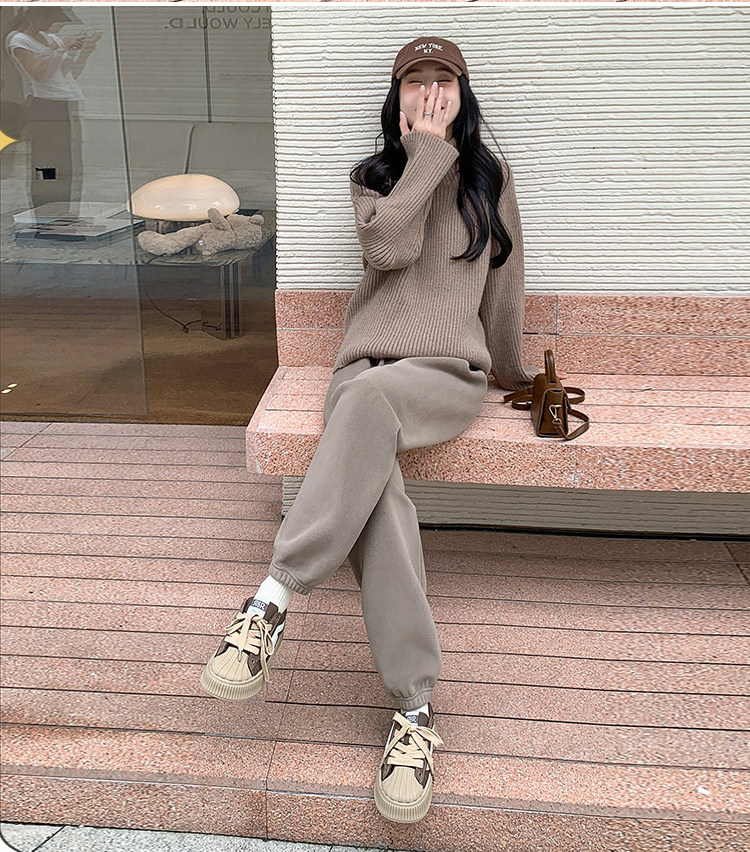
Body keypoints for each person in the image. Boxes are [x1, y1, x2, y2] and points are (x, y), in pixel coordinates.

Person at [200, 36, 567, 824]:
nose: (429, 94)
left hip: (445, 376)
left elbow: (506, 288)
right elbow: (391, 249)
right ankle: (415, 711)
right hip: (363, 371)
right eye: (414, 83)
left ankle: (271, 600)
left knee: (365, 411)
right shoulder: (374, 178)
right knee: (381, 501)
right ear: (396, 100)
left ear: (464, 95)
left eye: (443, 82)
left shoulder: (491, 179)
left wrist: (512, 373)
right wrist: (424, 156)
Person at [4, 7, 99, 215]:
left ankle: (65, 209)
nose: (51, 25)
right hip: (45, 106)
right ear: (35, 16)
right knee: (46, 162)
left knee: (67, 163)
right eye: (49, 20)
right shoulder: (19, 40)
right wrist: (61, 47)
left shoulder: (51, 39)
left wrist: (82, 52)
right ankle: (44, 207)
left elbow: (66, 74)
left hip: (65, 102)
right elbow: (38, 74)